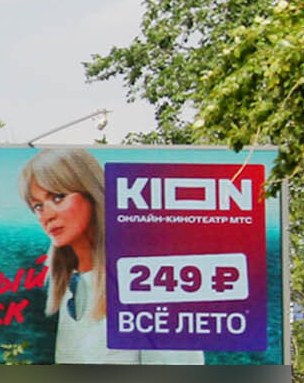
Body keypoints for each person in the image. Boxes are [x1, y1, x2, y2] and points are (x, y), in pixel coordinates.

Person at [20, 146, 202, 365]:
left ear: (92, 193)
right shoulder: (69, 286)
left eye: (58, 197)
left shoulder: (150, 283)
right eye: (38, 206)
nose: (47, 215)